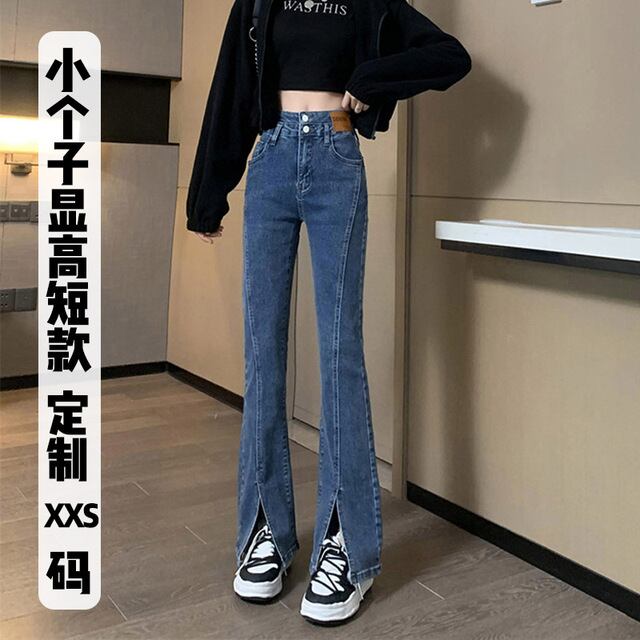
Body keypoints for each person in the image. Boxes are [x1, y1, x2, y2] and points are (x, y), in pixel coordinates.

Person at [186, 0, 471, 626]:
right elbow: (231, 87)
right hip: (270, 159)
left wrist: (371, 80)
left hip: (337, 158)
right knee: (262, 355)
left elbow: (451, 56)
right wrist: (209, 193)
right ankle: (266, 531)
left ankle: (345, 547)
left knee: (340, 352)